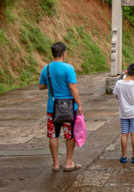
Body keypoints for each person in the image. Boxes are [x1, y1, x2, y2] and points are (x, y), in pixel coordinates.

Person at [39, 42, 83, 172]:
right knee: (69, 135)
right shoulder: (68, 68)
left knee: (53, 135)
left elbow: (41, 86)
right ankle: (69, 162)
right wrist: (79, 104)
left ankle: (56, 164)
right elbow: (72, 87)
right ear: (64, 53)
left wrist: (53, 83)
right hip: (68, 107)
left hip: (52, 108)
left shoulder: (46, 69)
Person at [114, 63, 134, 163]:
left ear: (126, 71)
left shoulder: (119, 83)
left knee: (124, 134)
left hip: (123, 112)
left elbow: (117, 96)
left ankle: (124, 156)